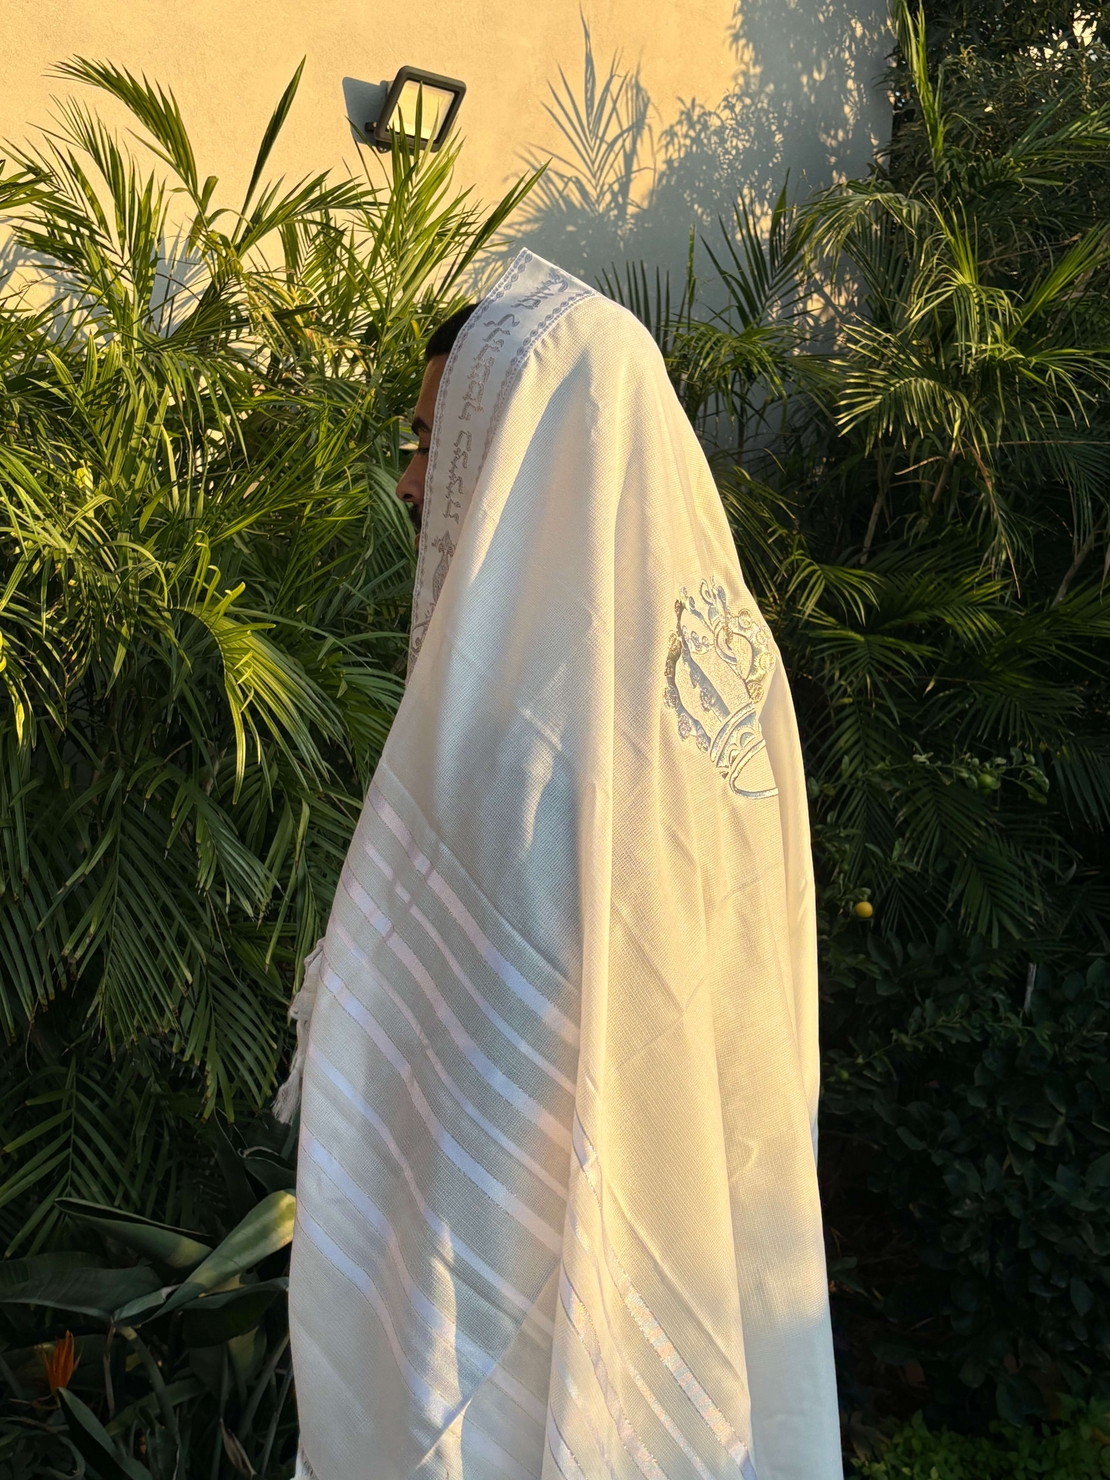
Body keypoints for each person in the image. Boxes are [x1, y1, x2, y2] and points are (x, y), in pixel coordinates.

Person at [283, 249, 842, 1479]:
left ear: (531, 440)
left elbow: (457, 1060)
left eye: (436, 439)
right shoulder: (733, 669)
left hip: (518, 1241)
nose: (413, 477)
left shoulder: (532, 734)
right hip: (696, 1225)